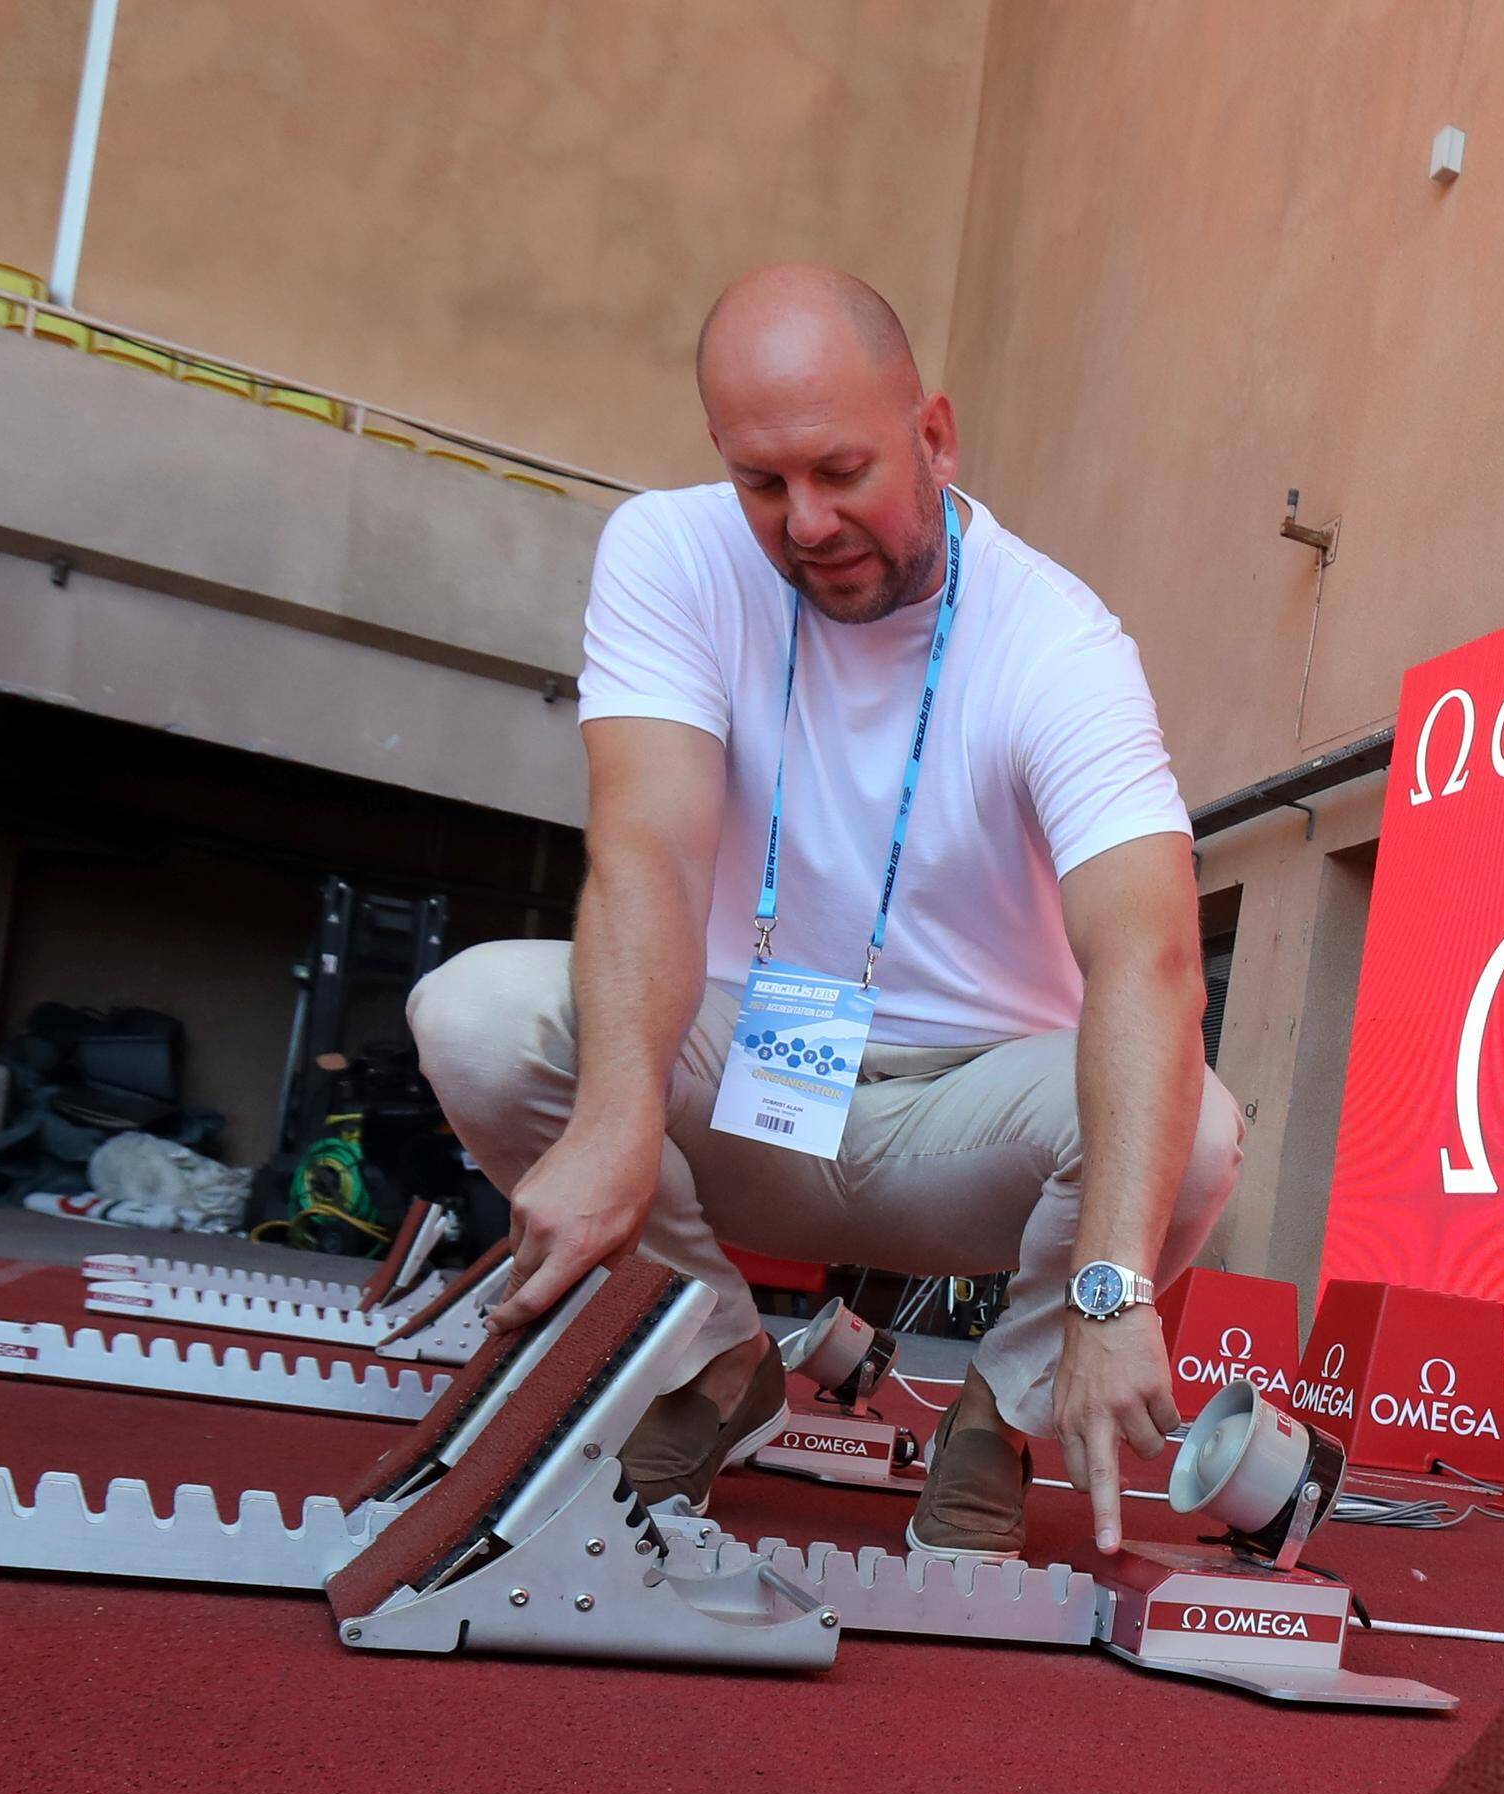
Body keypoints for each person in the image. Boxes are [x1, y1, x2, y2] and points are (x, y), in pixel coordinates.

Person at [410, 262, 1230, 1554]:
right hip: (756, 1068)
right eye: (762, 482)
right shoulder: (668, 555)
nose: (804, 523)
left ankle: (995, 1415)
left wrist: (1114, 1287)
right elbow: (649, 857)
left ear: (935, 436)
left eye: (842, 472)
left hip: (968, 1126)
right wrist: (619, 1120)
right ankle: (712, 1360)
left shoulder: (1062, 646)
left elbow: (1154, 962)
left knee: (1190, 1125)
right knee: (474, 1016)